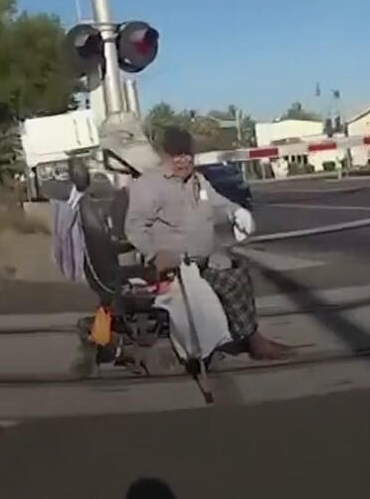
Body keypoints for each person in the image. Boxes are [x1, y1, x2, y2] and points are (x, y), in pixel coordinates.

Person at [122, 126, 290, 361]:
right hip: (174, 269)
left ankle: (246, 337)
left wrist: (236, 212)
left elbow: (218, 203)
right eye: (177, 156)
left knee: (237, 273)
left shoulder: (198, 181)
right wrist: (154, 255)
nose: (183, 161)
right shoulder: (149, 185)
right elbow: (135, 227)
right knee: (232, 282)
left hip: (202, 263)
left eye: (187, 155)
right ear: (166, 156)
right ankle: (249, 341)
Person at [50, 158, 91, 282]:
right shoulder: (79, 192)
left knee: (66, 241)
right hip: (73, 207)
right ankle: (76, 275)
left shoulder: (63, 195)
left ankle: (71, 275)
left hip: (67, 207)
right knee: (74, 243)